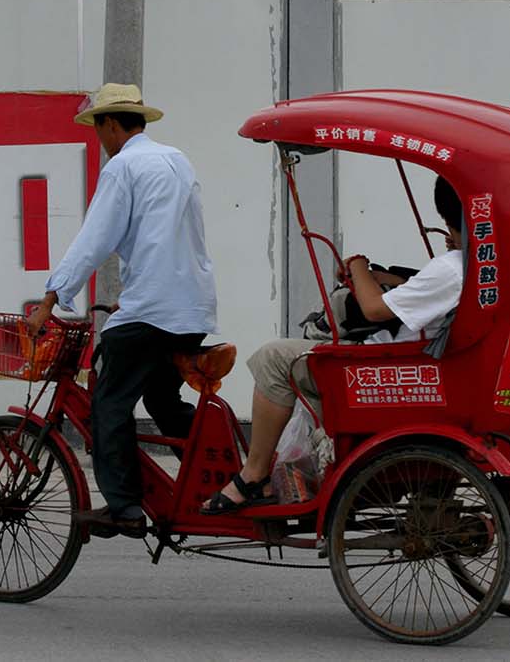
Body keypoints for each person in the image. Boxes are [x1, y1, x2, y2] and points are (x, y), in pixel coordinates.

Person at [203, 176, 464, 514]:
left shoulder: (451, 268)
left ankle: (253, 474)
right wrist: (387, 279)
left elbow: (373, 309)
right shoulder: (485, 264)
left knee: (273, 357)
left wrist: (358, 266)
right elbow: (421, 292)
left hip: (385, 367)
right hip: (426, 363)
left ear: (448, 218)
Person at [26, 83, 217, 538]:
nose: (100, 139)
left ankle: (124, 507)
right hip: (190, 308)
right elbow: (172, 239)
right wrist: (133, 293)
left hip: (152, 309)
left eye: (98, 129)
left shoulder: (123, 166)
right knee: (162, 400)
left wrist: (51, 298)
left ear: (110, 124)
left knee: (109, 402)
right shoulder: (177, 160)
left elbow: (95, 239)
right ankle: (224, 476)